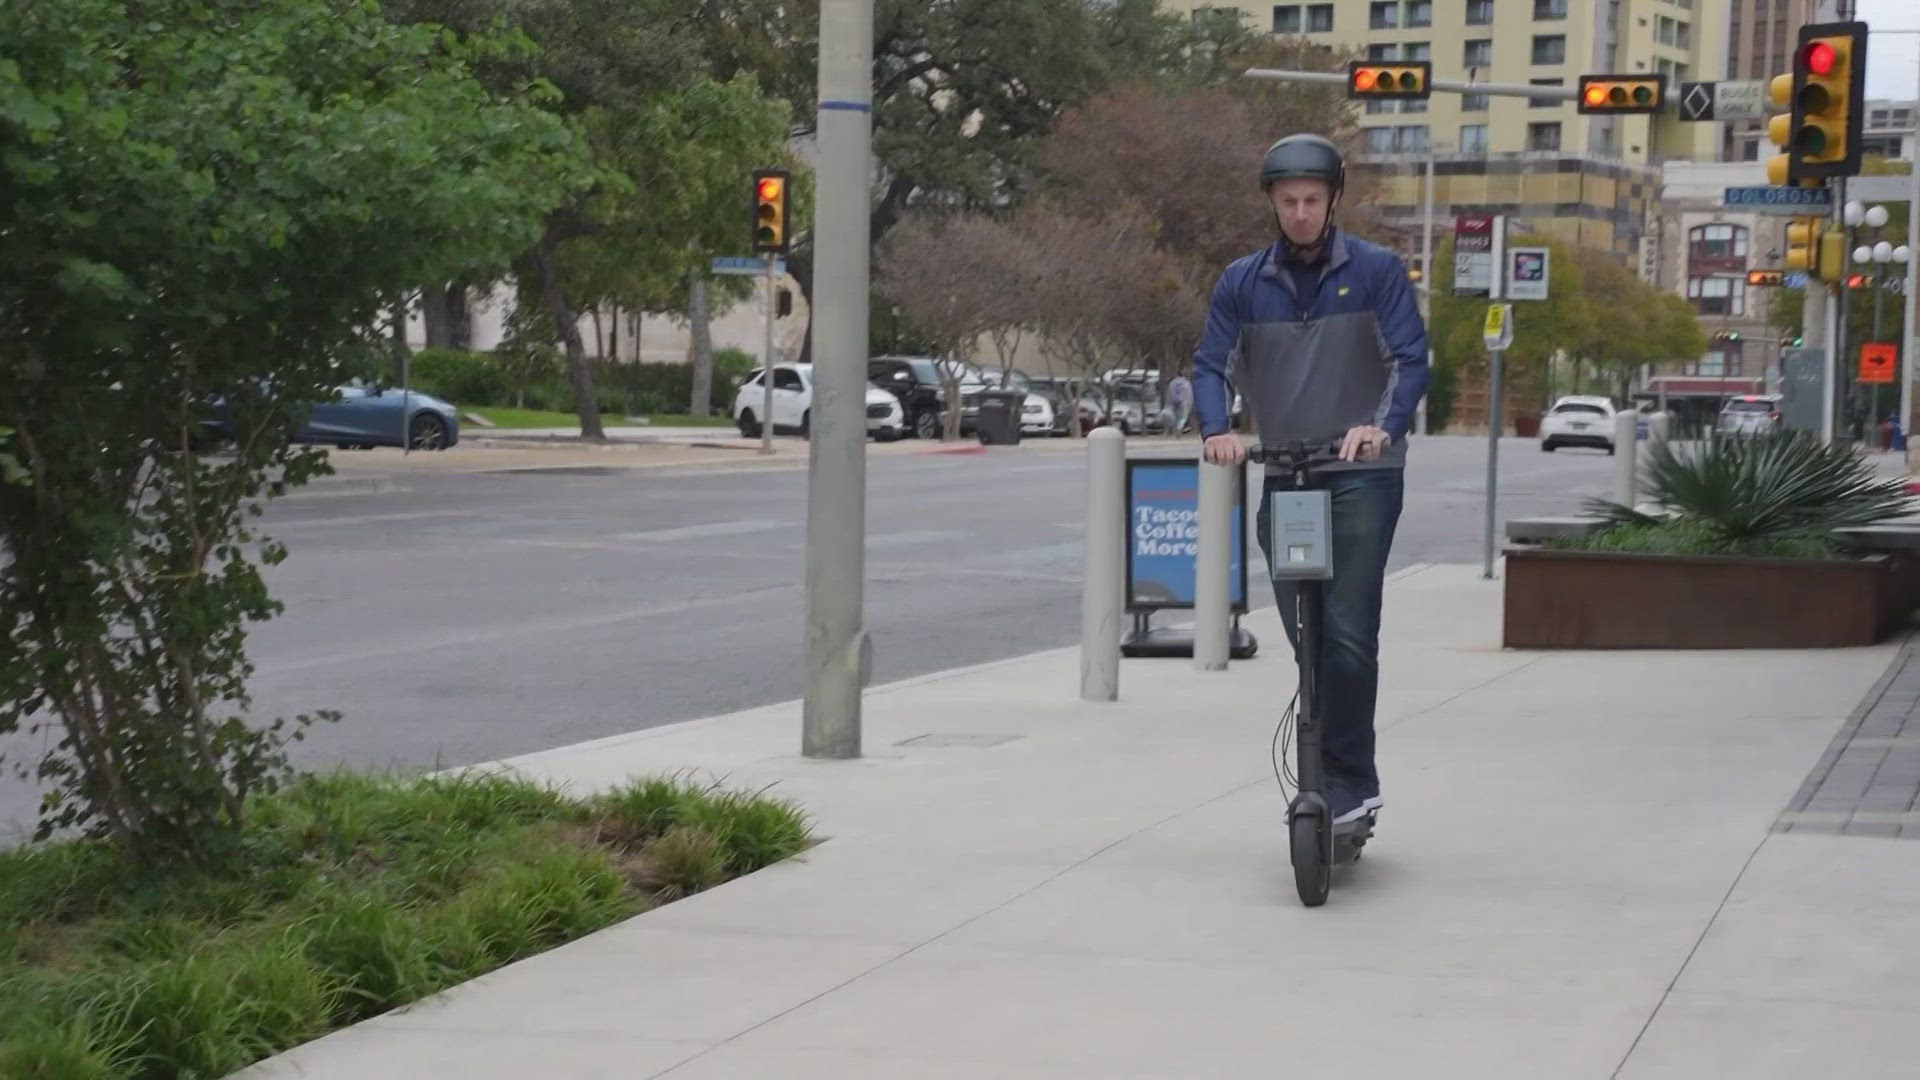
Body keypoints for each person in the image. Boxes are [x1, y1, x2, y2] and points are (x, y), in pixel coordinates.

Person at [1190, 133, 1430, 827]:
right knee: (1306, 631)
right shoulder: (1243, 282)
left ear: (1333, 203)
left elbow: (1409, 361)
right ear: (1271, 203)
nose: (1300, 213)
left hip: (1361, 475)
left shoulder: (1378, 272)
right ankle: (1323, 767)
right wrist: (1217, 429)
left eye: (1312, 201)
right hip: (1291, 476)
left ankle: (1353, 778)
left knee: (1349, 630)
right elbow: (1211, 365)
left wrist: (1381, 426)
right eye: (1288, 201)